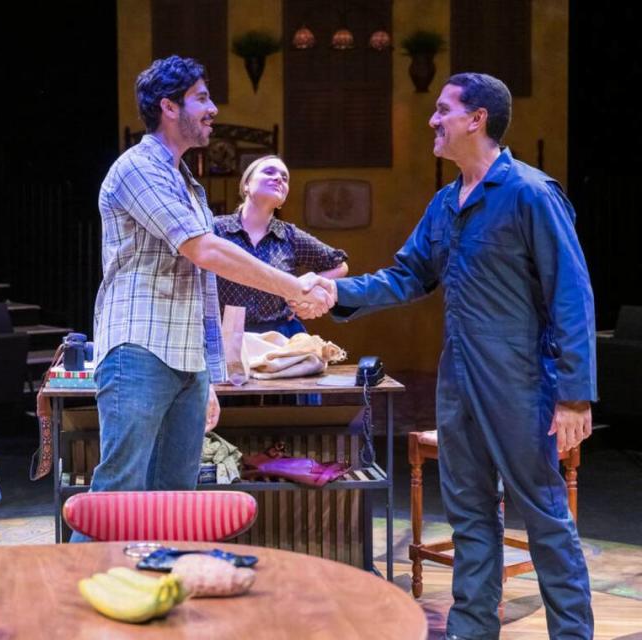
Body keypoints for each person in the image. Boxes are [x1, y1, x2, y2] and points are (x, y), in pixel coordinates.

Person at [325, 73, 595, 639]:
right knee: (471, 518)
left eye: (442, 110)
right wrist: (334, 293)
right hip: (460, 384)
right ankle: (471, 631)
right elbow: (407, 276)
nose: (432, 120)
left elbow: (572, 295)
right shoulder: (447, 202)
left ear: (477, 119)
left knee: (545, 517)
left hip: (520, 383)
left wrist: (574, 396)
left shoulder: (529, 193)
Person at [86, 55, 333, 534]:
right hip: (140, 348)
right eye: (201, 97)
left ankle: (159, 596)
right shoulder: (138, 168)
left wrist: (207, 373)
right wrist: (292, 285)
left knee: (175, 495)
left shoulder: (189, 185)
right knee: (117, 493)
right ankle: (75, 604)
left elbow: (201, 287)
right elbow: (202, 251)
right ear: (168, 107)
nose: (213, 108)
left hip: (185, 360)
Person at [214, 154, 348, 337]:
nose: (278, 178)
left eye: (284, 178)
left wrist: (301, 292)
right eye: (269, 172)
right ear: (246, 185)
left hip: (280, 336)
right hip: (226, 336)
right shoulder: (216, 229)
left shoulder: (289, 235)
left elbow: (339, 265)